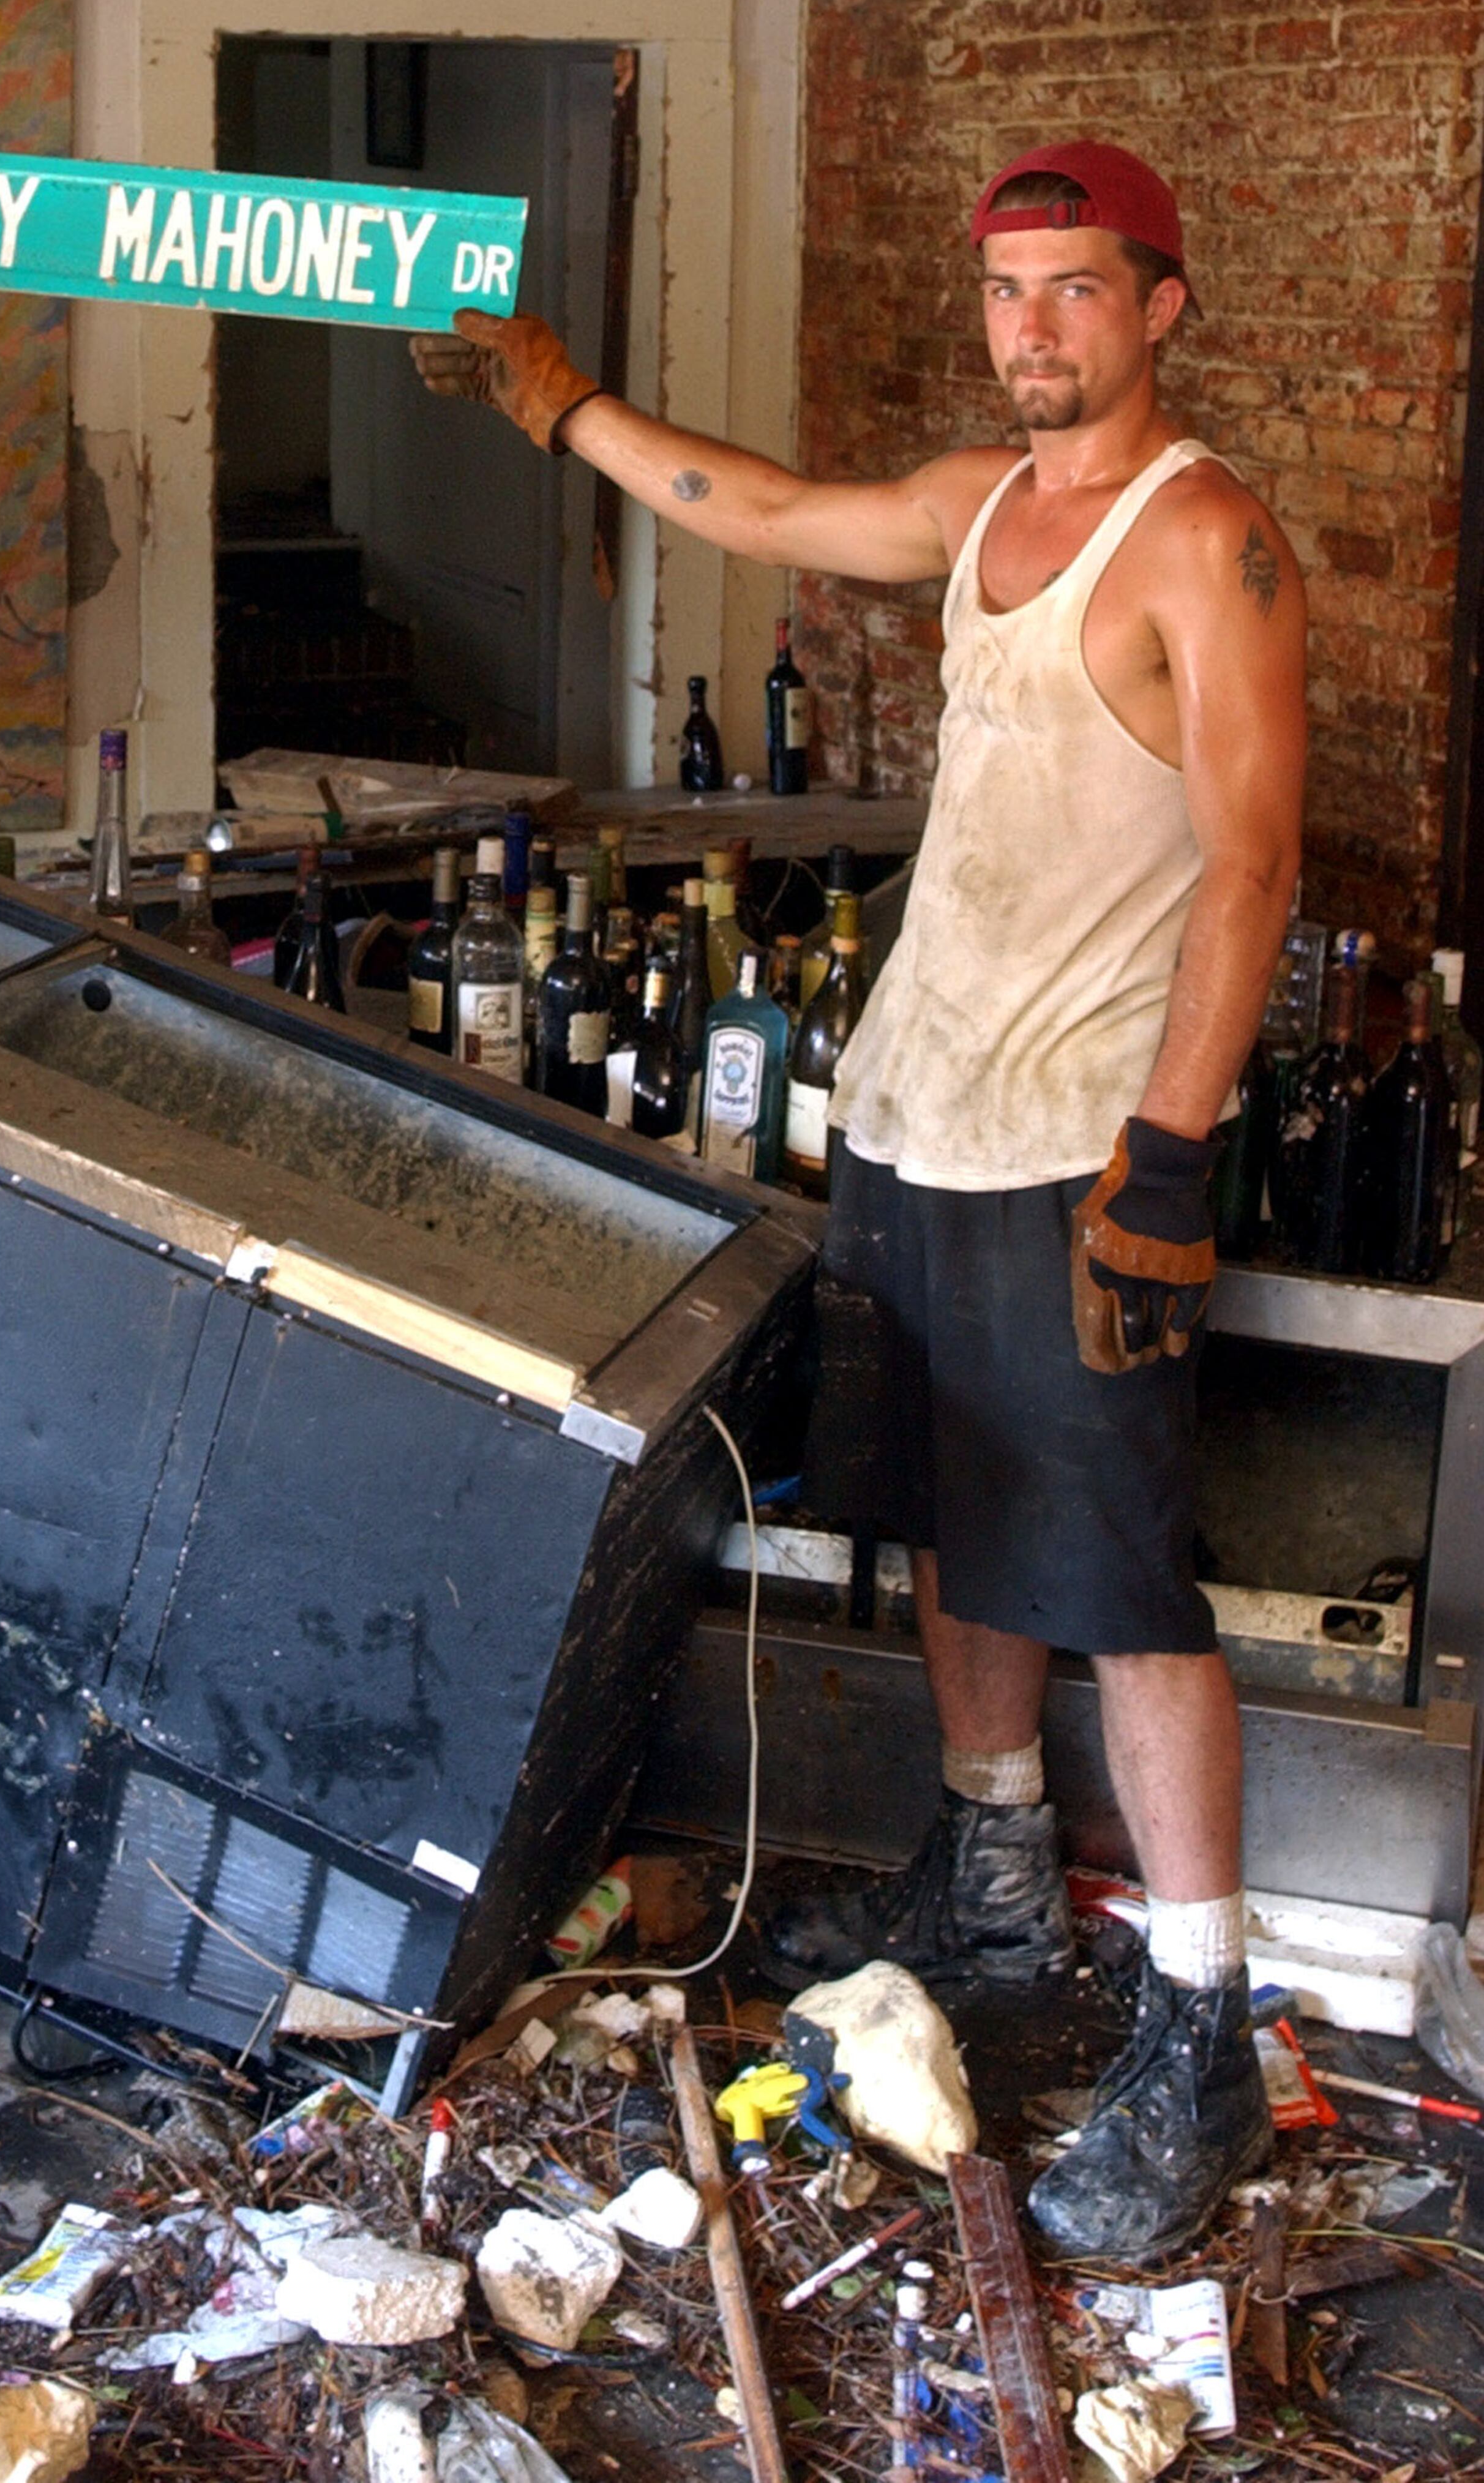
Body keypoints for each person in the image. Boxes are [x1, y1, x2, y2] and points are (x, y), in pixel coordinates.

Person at [414, 140, 1307, 2263]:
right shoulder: (982, 504)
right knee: (941, 1522)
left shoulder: (1210, 542)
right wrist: (568, 408)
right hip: (915, 1117)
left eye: (1077, 291)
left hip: (1085, 1152)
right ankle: (991, 1872)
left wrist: (1168, 1165)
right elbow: (776, 507)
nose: (1034, 331)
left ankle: (1203, 2022)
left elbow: (1256, 865)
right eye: (1008, 292)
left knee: (1121, 1583)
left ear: (1162, 302)